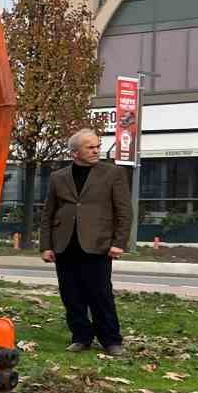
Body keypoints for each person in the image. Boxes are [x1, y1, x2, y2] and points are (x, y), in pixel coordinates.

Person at [40, 128, 131, 355]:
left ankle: (111, 340)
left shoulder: (112, 174)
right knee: (71, 295)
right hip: (65, 245)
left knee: (100, 294)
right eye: (90, 147)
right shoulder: (58, 178)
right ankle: (81, 337)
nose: (96, 151)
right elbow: (48, 213)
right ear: (75, 152)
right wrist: (46, 245)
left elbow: (124, 211)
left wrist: (119, 242)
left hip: (98, 244)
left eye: (97, 146)